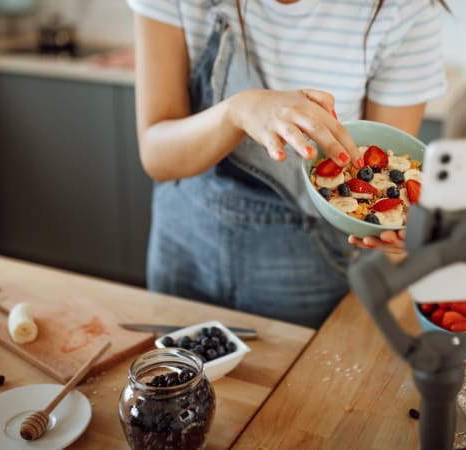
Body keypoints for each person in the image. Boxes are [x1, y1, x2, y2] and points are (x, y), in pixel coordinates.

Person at [128, 0, 448, 328]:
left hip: (309, 260)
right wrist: (237, 111)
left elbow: (383, 172)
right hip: (185, 238)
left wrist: (387, 225)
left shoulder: (405, 9)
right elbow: (157, 157)